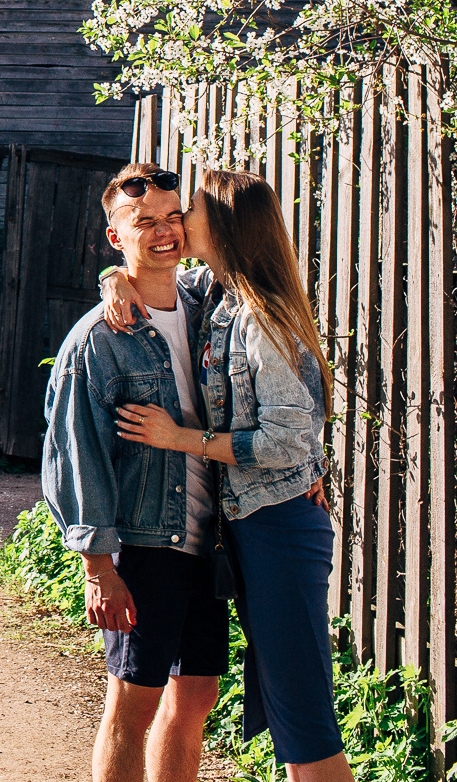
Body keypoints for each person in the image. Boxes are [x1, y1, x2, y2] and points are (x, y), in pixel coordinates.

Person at [104, 169, 352, 782]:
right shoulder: (214, 299)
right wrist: (114, 278)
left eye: (188, 210)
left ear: (223, 225)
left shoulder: (260, 318)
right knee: (284, 706)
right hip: (246, 528)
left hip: (279, 529)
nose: (178, 222)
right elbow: (143, 271)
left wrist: (177, 437)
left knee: (303, 716)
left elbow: (289, 437)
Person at [42, 161, 226, 782]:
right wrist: (97, 567)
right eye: (144, 222)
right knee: (132, 704)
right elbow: (74, 456)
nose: (165, 231)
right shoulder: (97, 338)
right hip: (145, 546)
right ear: (116, 237)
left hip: (211, 537)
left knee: (196, 695)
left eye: (174, 217)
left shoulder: (211, 304)